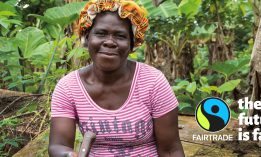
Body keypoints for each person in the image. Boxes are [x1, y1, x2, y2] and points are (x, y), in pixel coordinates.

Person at [48, 0, 184, 156]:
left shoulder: (153, 82)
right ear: (86, 38)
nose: (110, 42)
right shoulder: (68, 87)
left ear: (132, 44)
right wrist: (69, 155)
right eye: (101, 33)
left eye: (120, 36)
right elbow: (58, 145)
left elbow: (171, 150)